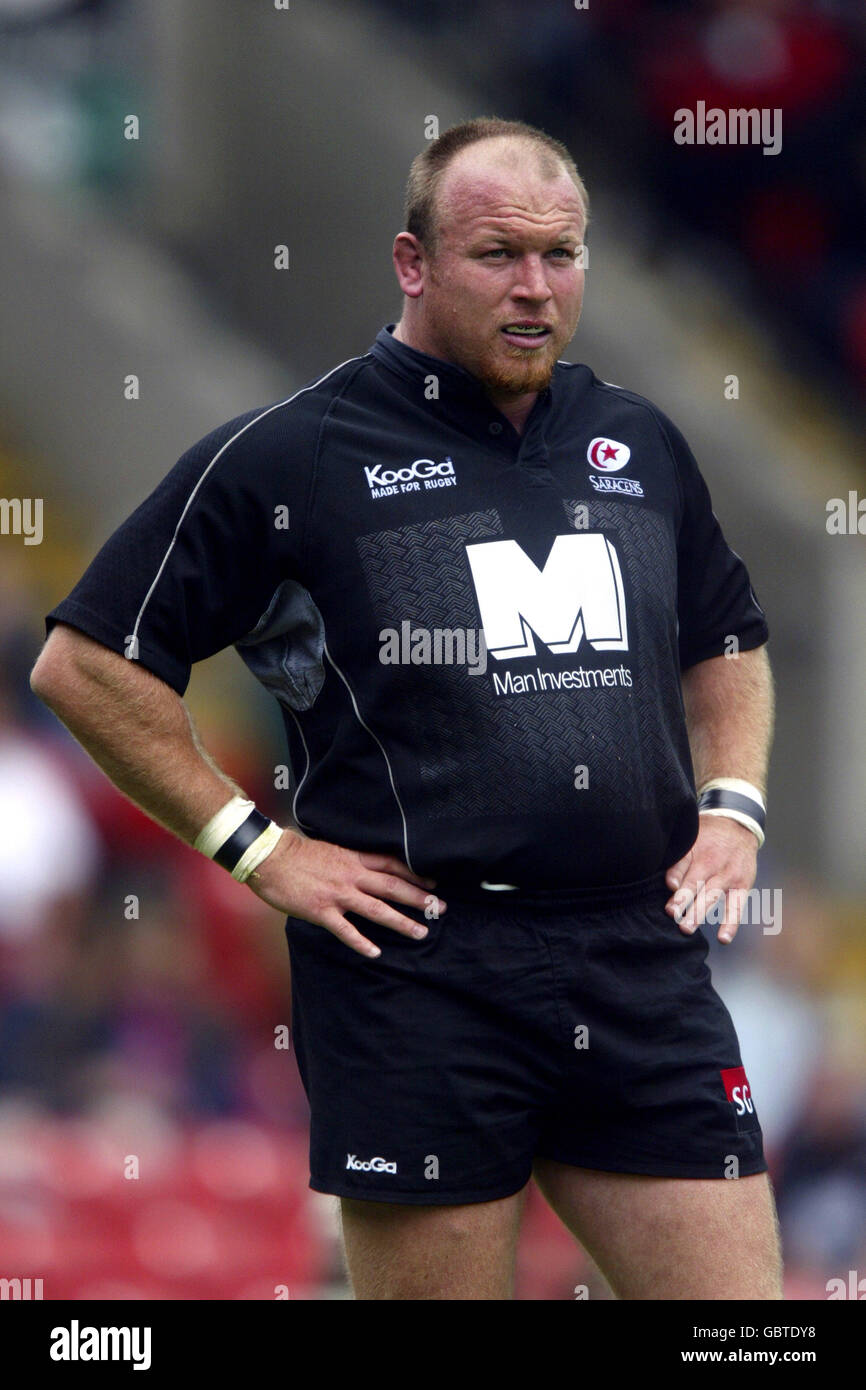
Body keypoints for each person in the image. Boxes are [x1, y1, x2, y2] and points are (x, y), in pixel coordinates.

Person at [31, 117, 781, 1300]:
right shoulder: (291, 458)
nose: (535, 288)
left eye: (562, 254)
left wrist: (731, 805)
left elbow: (726, 638)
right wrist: (258, 848)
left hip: (638, 959)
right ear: (411, 262)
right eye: (497, 255)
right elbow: (86, 664)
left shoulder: (635, 439)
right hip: (420, 969)